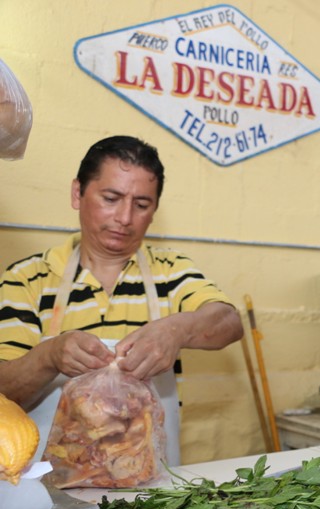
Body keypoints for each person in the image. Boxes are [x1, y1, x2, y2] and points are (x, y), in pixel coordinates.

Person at [0, 136, 243, 466]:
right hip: (51, 488)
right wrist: (50, 355)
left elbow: (229, 322)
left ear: (154, 210)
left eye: (141, 205)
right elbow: (5, 391)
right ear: (78, 193)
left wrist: (177, 330)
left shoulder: (170, 271)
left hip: (149, 482)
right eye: (111, 198)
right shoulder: (27, 278)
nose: (125, 217)